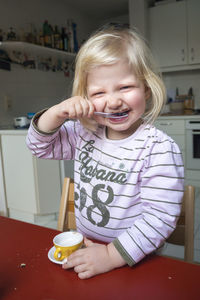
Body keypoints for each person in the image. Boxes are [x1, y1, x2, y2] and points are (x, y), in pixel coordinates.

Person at [26, 24, 184, 279]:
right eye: (99, 92)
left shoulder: (159, 149)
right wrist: (55, 114)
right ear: (85, 98)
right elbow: (38, 147)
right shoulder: (83, 133)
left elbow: (159, 218)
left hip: (132, 258)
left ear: (145, 88)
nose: (113, 101)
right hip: (86, 248)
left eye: (125, 87)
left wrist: (111, 255)